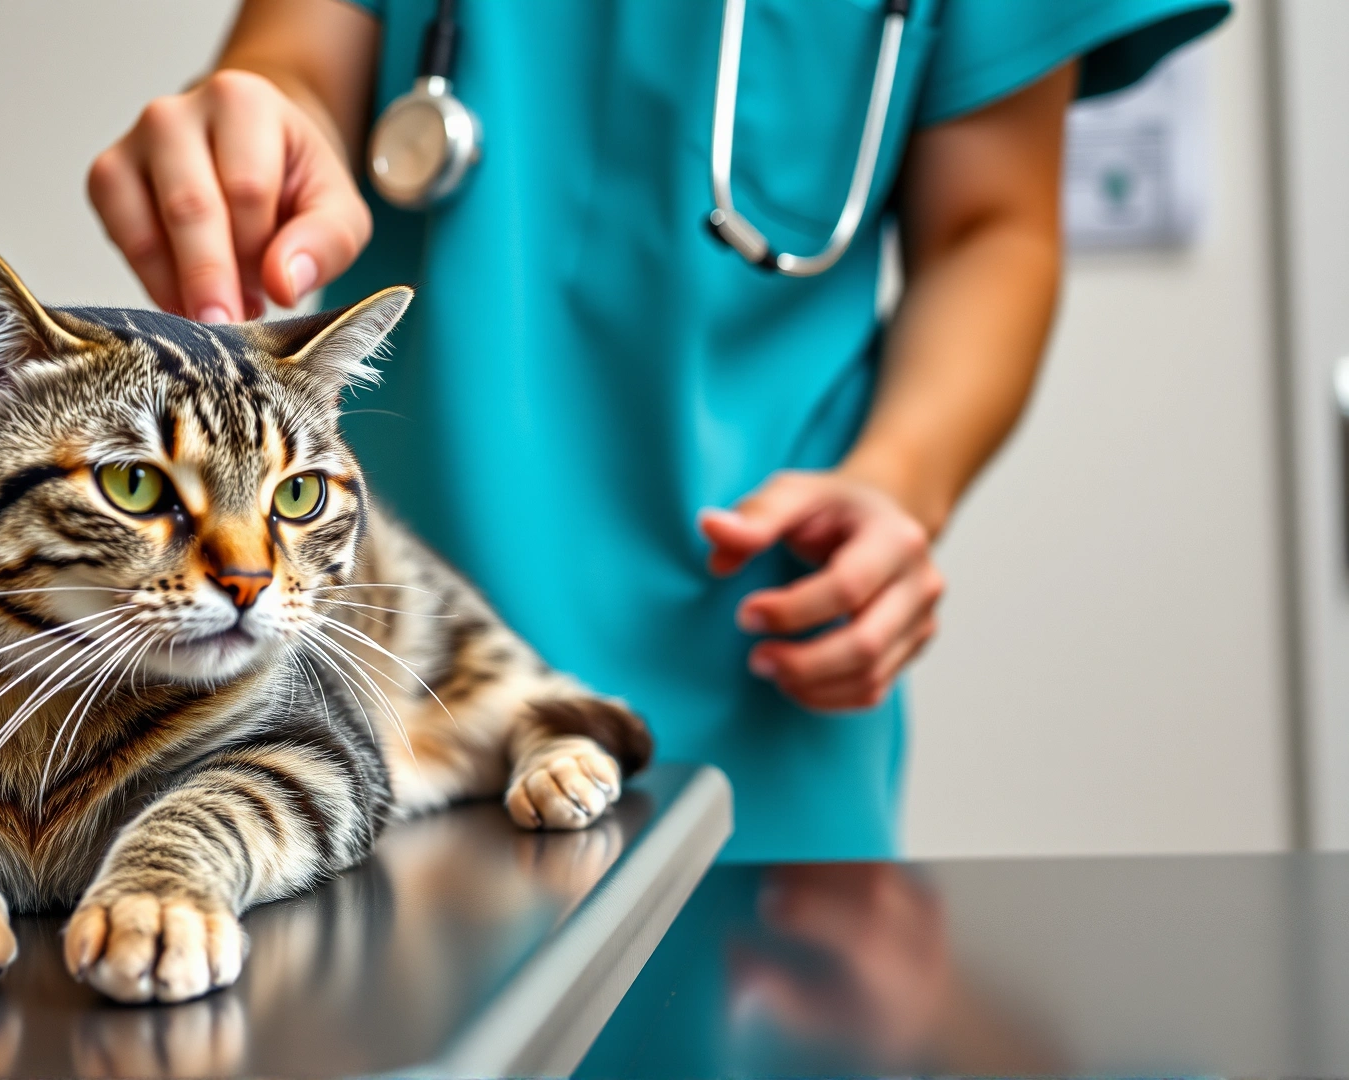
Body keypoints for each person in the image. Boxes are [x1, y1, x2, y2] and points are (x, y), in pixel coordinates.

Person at [88, 1, 1228, 863]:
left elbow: (994, 226)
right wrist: (253, 121)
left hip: (761, 673)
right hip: (363, 683)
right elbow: (291, 59)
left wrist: (900, 485)